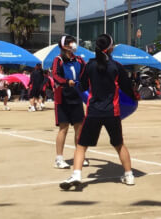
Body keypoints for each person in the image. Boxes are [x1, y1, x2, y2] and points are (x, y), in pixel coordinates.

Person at [60, 34, 136, 190]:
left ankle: (77, 175)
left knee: (81, 146)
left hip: (93, 111)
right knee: (119, 144)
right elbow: (127, 88)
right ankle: (129, 175)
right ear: (110, 48)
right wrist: (134, 99)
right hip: (112, 112)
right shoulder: (116, 66)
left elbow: (82, 87)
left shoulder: (90, 65)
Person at [51, 35, 88, 169]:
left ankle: (79, 155)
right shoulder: (58, 60)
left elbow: (86, 73)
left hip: (77, 97)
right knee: (64, 128)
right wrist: (67, 82)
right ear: (64, 46)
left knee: (79, 128)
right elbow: (55, 76)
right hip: (63, 98)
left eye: (73, 42)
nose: (73, 44)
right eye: (70, 43)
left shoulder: (79, 60)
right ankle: (59, 159)